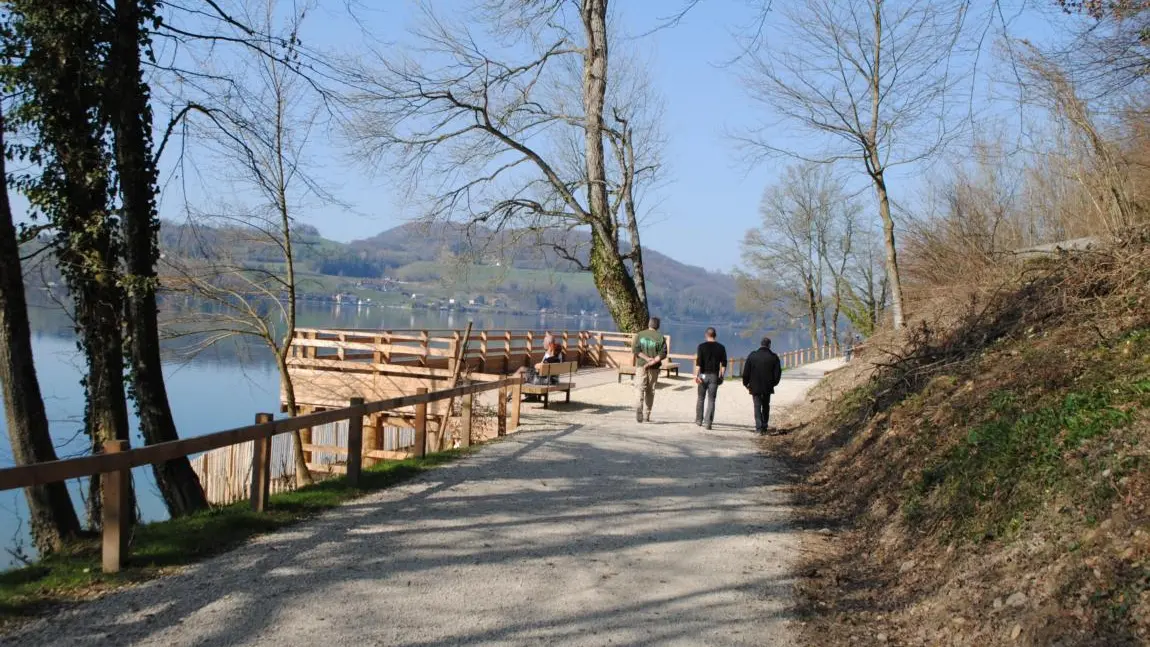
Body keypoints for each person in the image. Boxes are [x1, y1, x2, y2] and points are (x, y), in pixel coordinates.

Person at [742, 336, 782, 435]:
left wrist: (746, 383)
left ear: (761, 344)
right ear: (769, 345)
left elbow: (746, 371)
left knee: (757, 405)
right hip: (767, 386)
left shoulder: (752, 355)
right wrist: (773, 383)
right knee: (766, 406)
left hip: (754, 385)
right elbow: (778, 373)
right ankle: (764, 426)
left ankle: (759, 428)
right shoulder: (774, 357)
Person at [632, 317, 667, 423]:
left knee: (639, 388)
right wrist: (652, 361)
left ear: (649, 324)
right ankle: (647, 415)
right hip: (654, 368)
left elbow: (635, 350)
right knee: (650, 391)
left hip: (641, 366)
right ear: (658, 326)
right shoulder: (661, 337)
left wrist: (646, 359)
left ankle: (639, 407)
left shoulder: (640, 335)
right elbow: (663, 354)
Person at [694, 327, 727, 430]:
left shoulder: (701, 347)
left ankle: (699, 420)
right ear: (715, 335)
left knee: (700, 398)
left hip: (703, 375)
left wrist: (696, 376)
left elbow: (698, 363)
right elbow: (724, 364)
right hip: (714, 375)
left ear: (706, 335)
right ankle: (708, 423)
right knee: (711, 400)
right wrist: (721, 375)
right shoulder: (721, 347)